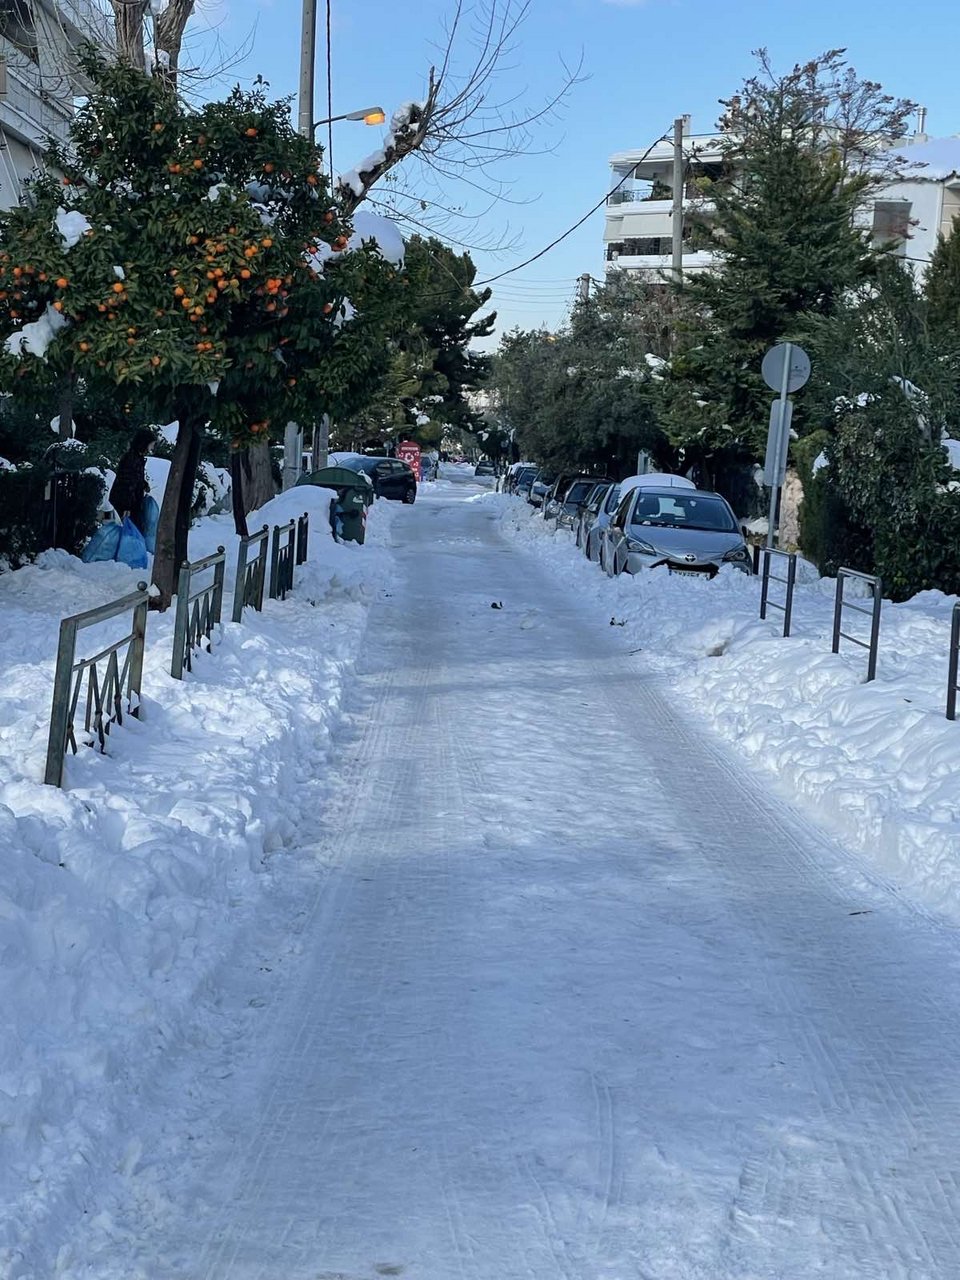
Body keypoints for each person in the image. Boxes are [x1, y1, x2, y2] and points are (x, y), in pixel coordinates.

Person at [109, 428, 155, 533]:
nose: (152, 447)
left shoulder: (137, 458)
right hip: (125, 504)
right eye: (151, 444)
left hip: (131, 503)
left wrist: (144, 485)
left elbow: (135, 479)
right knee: (124, 530)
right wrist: (126, 507)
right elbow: (126, 482)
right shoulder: (131, 459)